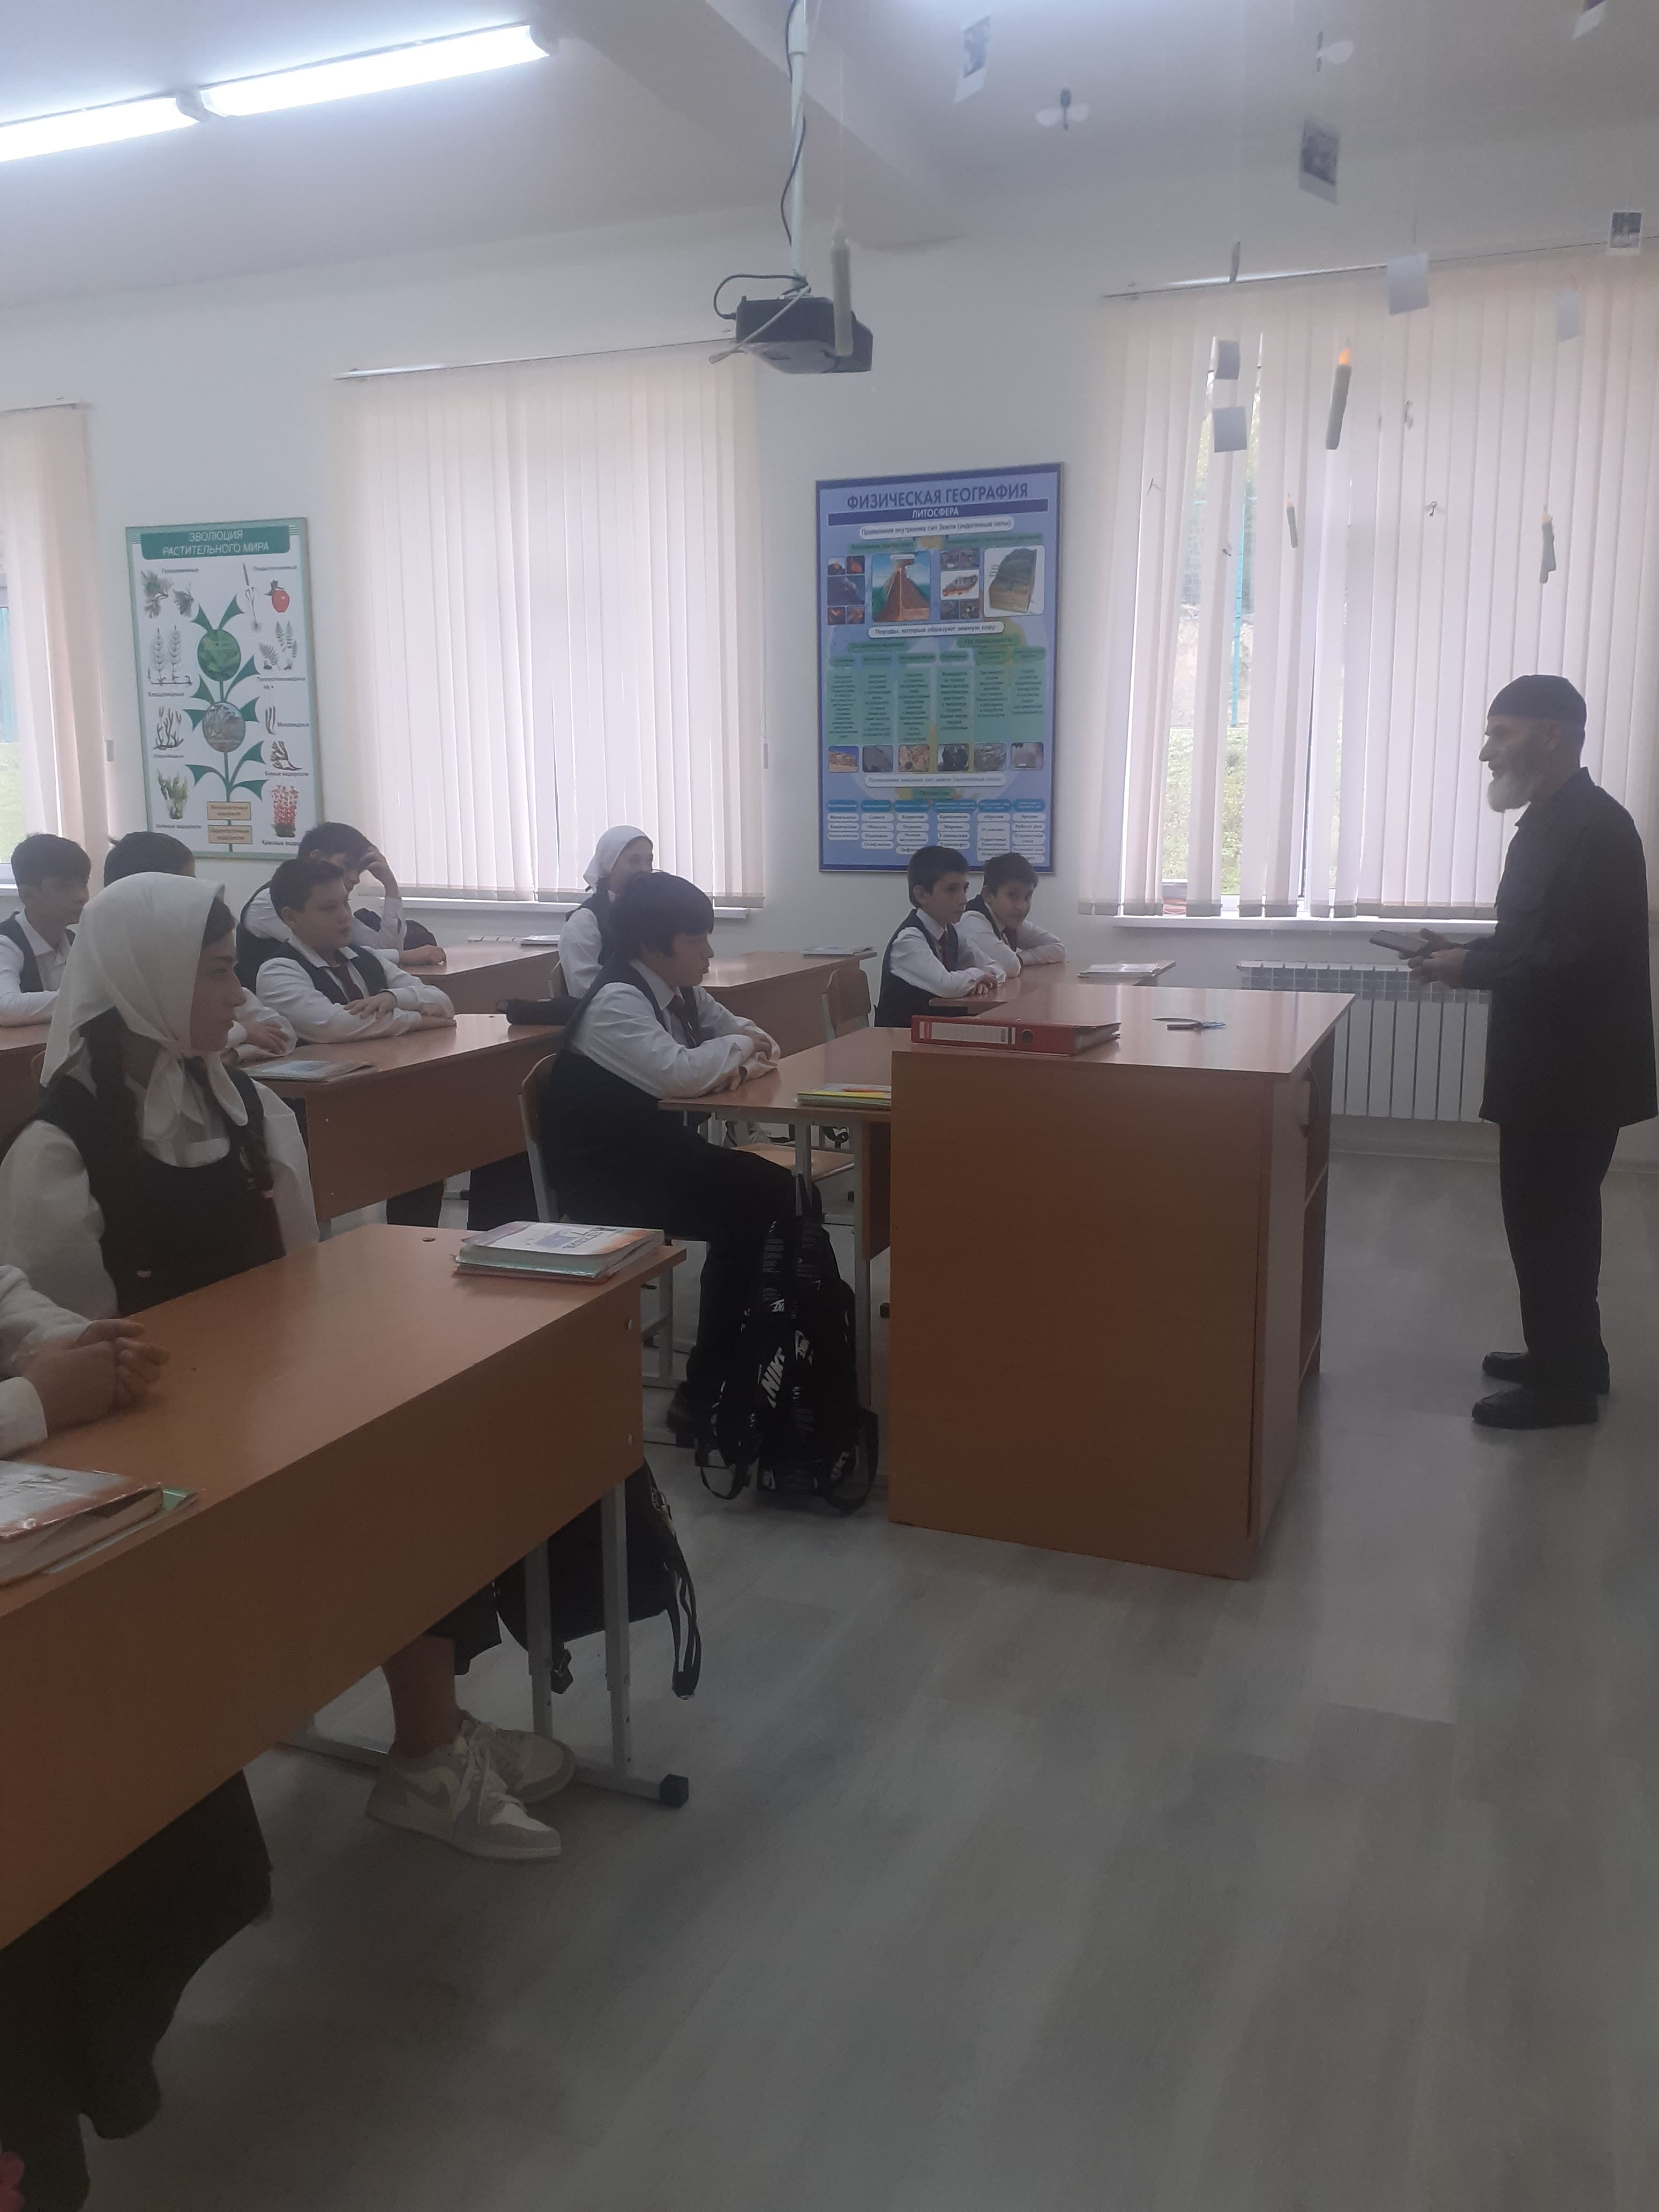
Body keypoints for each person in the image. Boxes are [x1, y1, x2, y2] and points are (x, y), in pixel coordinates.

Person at [0, 873, 571, 1864]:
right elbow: (74, 1345)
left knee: (426, 1448)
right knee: (387, 1493)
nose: (238, 995)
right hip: (150, 1431)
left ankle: (432, 1736)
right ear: (145, 981)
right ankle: (428, 1748)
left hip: (253, 1397)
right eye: (216, 973)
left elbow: (301, 1278)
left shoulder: (247, 1107)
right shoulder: (57, 1149)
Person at [1410, 675, 1656, 1429]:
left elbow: (1581, 959)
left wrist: (1474, 968)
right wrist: (1463, 953)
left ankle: (1564, 1390)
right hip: (1548, 1064)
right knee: (1550, 1221)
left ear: (1550, 737)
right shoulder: (1551, 820)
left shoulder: (1598, 828)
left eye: (1501, 733)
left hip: (1572, 1073)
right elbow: (1535, 939)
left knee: (1552, 1224)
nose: (1487, 752)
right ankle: (1572, 1357)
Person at [541, 871, 785, 1438]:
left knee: (781, 1195)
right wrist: (735, 1053)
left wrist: (734, 1055)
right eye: (696, 940)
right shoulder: (616, 1002)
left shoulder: (681, 991)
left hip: (657, 1154)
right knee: (757, 1206)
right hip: (607, 1177)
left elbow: (762, 1040)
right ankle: (706, 1390)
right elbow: (683, 1074)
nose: (709, 953)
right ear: (652, 946)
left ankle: (760, 1357)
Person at [102, 830, 296, 1065]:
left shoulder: (205, 954)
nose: (199, 892)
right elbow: (163, 1050)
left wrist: (229, 1055)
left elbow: (283, 1034)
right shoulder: (116, 980)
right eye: (188, 883)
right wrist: (243, 1032)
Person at [240, 857, 457, 1043]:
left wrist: (394, 998)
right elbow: (335, 1026)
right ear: (291, 917)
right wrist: (420, 1020)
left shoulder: (365, 958)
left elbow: (443, 1002)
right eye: (329, 908)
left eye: (346, 903)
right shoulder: (278, 971)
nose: (345, 916)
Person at [236, 820, 446, 975]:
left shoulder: (332, 904)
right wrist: (406, 956)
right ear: (317, 858)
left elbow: (385, 950)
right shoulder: (270, 902)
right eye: (347, 866)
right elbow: (334, 953)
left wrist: (390, 886)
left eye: (360, 871)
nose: (355, 878)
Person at [872, 845, 1002, 1028]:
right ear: (922, 895)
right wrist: (979, 975)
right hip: (901, 1038)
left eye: (965, 889)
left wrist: (984, 982)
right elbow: (947, 986)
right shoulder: (908, 940)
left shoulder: (952, 932)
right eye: (952, 890)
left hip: (937, 1031)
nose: (963, 899)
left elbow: (998, 969)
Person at [0, 835, 90, 1026]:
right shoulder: (5, 943)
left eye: (83, 883)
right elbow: (6, 1009)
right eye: (65, 886)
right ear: (27, 895)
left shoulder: (75, 941)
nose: (81, 896)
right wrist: (91, 997)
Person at [558, 826, 654, 997]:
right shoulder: (585, 921)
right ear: (609, 865)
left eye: (649, 861)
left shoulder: (654, 910)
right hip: (613, 1009)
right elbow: (585, 989)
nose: (644, 869)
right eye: (634, 861)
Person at [958, 850, 1066, 981]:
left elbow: (1058, 948)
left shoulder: (1009, 920)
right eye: (1013, 896)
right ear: (988, 895)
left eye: (1028, 896)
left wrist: (1019, 958)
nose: (1022, 906)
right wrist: (1016, 960)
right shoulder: (972, 921)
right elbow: (1011, 966)